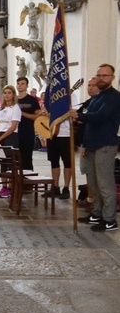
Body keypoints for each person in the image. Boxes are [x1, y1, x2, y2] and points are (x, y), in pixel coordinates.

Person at [72, 64, 120, 232]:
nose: (101, 78)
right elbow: (87, 123)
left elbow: (99, 117)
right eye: (98, 75)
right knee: (94, 183)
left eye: (105, 75)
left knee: (105, 183)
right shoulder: (97, 97)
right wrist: (84, 143)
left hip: (105, 145)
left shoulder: (114, 97)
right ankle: (97, 213)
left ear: (112, 77)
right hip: (92, 145)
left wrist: (78, 115)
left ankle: (110, 220)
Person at [44, 90, 78, 200]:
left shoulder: (71, 95)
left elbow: (73, 112)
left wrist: (61, 115)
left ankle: (66, 188)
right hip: (51, 133)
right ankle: (55, 186)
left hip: (66, 134)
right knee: (54, 161)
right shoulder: (51, 95)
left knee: (67, 162)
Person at [16, 76, 43, 171]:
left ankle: (28, 181)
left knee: (26, 158)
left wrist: (22, 114)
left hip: (27, 131)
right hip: (15, 132)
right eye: (18, 83)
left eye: (22, 84)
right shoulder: (14, 99)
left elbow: (37, 116)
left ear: (27, 86)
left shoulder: (32, 100)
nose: (20, 86)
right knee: (15, 158)